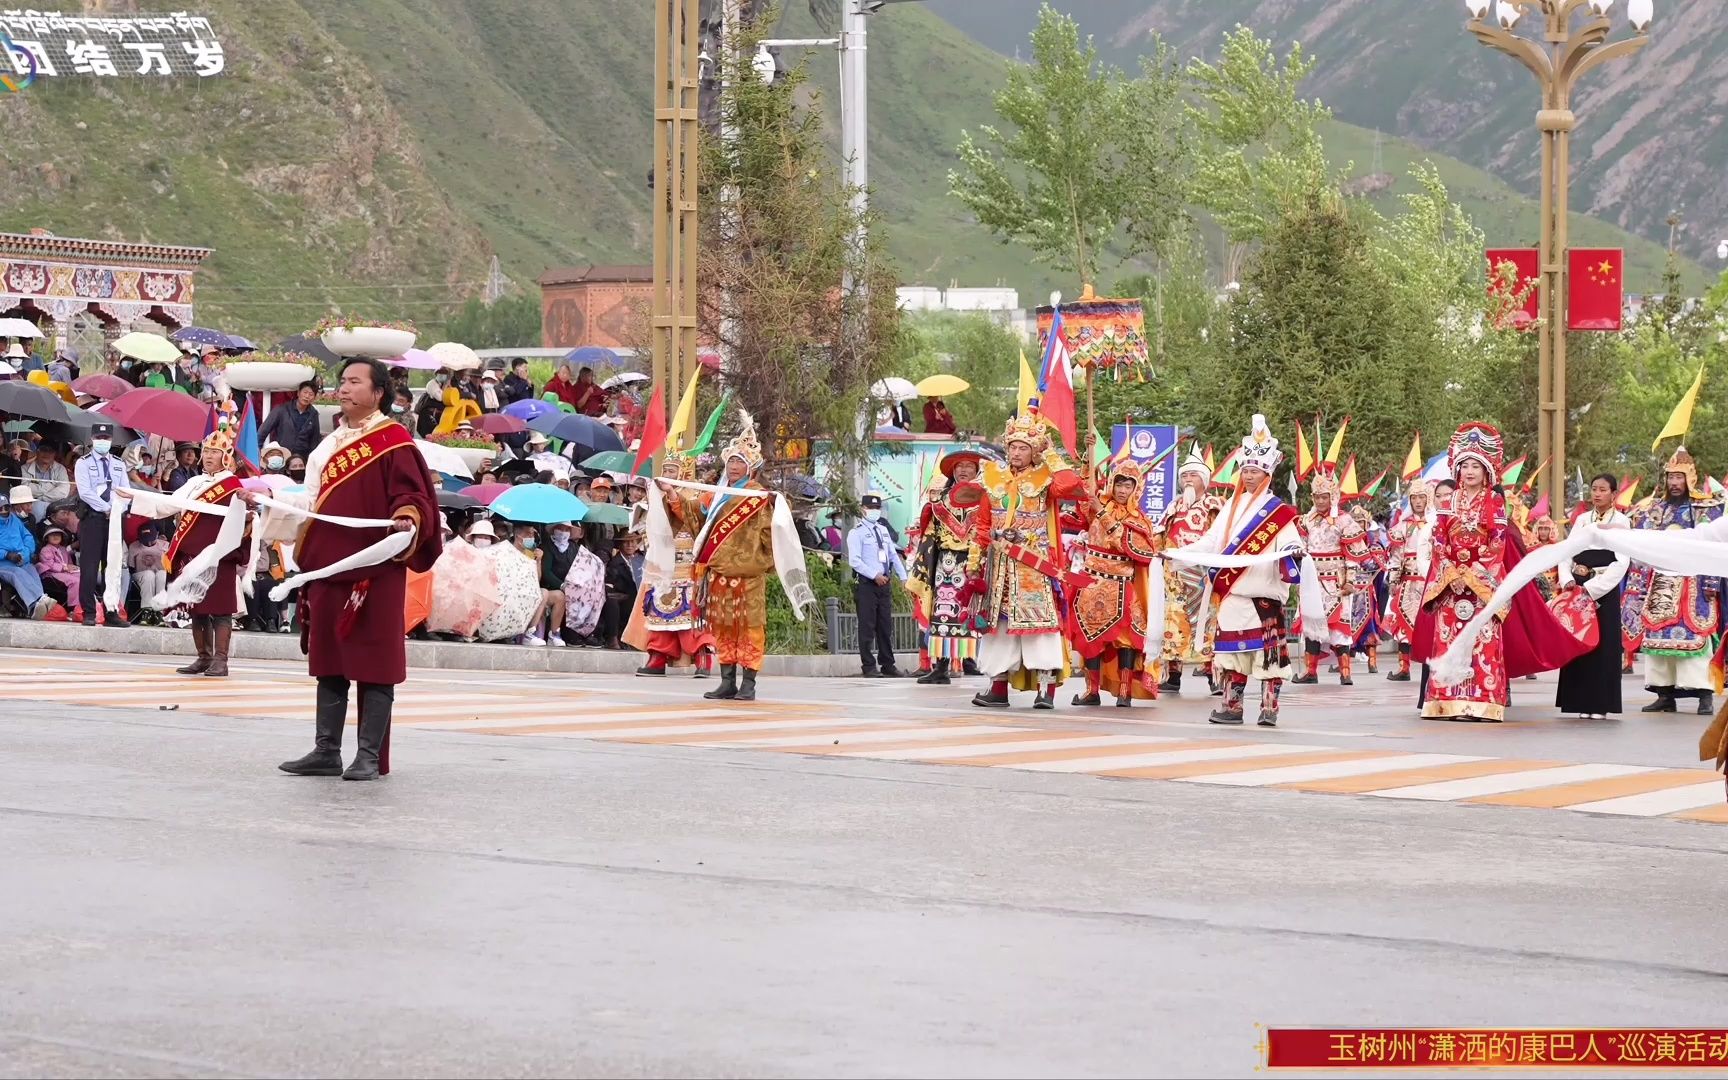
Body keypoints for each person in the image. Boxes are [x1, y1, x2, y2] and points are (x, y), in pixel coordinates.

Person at [266, 357, 442, 781]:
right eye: (341, 381)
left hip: (373, 569)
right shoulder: (328, 445)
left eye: (354, 382)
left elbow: (415, 498)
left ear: (377, 392)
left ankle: (367, 754)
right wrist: (271, 505)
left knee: (374, 660)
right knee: (330, 660)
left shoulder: (394, 440)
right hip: (328, 566)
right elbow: (312, 502)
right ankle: (326, 750)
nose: (343, 389)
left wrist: (407, 519)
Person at [1413, 422, 1588, 722]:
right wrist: (1451, 573)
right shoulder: (1446, 502)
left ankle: (1484, 702)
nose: (1469, 472)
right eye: (1464, 465)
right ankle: (1446, 702)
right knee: (1449, 639)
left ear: (1486, 472)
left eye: (1475, 467)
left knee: (1483, 642)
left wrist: (1472, 574)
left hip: (1482, 585)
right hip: (1450, 585)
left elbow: (1497, 542)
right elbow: (1439, 539)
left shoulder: (1493, 502)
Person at [1171, 415, 1302, 727]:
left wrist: (1292, 552)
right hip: (1233, 594)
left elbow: (1290, 543)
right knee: (1232, 657)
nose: (1249, 475)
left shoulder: (1277, 511)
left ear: (1267, 473)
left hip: (1264, 595)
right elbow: (1212, 541)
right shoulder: (1230, 506)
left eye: (1255, 470)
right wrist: (1177, 553)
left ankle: (1269, 709)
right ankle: (1232, 707)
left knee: (1270, 659)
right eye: (1245, 469)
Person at [971, 414, 1086, 710]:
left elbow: (1072, 485)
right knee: (998, 629)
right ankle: (998, 689)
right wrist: (975, 561)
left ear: (1033, 451)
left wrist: (1050, 453)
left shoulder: (1045, 479)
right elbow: (983, 524)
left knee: (1041, 628)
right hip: (999, 568)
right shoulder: (992, 477)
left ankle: (1045, 691)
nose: (1016, 453)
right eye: (1012, 447)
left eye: (1023, 448)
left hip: (1033, 565)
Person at [1622, 447, 1724, 715]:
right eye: (1670, 478)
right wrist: (1638, 585)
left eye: (1679, 478)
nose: (1674, 483)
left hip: (1693, 581)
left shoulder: (1705, 507)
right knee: (1657, 640)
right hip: (1661, 581)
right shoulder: (1657, 509)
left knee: (1696, 638)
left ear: (1690, 478)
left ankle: (1704, 695)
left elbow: (1713, 546)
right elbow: (1643, 545)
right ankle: (1664, 693)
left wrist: (1711, 582)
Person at [151, 424, 251, 677]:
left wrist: (247, 506)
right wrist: (135, 498)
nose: (207, 456)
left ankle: (221, 660)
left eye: (214, 452)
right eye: (205, 451)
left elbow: (247, 518)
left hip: (219, 554)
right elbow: (169, 505)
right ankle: (203, 657)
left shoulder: (234, 485)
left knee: (220, 610)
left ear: (225, 456)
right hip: (191, 554)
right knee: (197, 608)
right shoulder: (195, 482)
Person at [688, 419, 777, 701]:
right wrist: (671, 495)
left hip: (748, 576)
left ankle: (748, 684)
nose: (734, 467)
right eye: (731, 462)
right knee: (723, 629)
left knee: (750, 630)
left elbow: (771, 532)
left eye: (740, 463)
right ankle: (727, 681)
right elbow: (694, 515)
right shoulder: (716, 495)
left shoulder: (758, 496)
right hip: (719, 574)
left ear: (750, 468)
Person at [1067, 460, 1160, 707]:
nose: (1122, 490)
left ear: (1136, 488)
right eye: (1119, 483)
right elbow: (1081, 496)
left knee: (1127, 640)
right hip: (1092, 581)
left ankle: (1125, 691)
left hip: (1123, 585)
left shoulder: (1139, 519)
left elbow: (1138, 550)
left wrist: (1104, 515)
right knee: (1089, 638)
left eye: (1128, 485)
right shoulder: (1097, 505)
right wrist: (1087, 466)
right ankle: (1091, 690)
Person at [906, 450, 991, 686]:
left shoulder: (987, 499)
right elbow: (930, 536)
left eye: (969, 466)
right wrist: (924, 568)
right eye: (959, 466)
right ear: (953, 472)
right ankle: (941, 666)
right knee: (943, 612)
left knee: (977, 612)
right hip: (947, 564)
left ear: (977, 471)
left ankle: (989, 667)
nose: (963, 470)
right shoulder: (939, 503)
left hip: (977, 563)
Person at [1555, 474, 1631, 718]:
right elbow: (1568, 551)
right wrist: (1566, 577)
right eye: (1594, 489)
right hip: (1577, 586)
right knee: (1578, 641)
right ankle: (1577, 701)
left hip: (1602, 589)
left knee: (1603, 644)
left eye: (1602, 490)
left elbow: (1621, 562)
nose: (1597, 494)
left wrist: (1595, 588)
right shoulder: (1581, 520)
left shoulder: (1621, 522)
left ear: (1613, 493)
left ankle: (1600, 704)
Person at [634, 455, 716, 677]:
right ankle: (658, 655)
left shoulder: (697, 494)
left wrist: (672, 494)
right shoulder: (655, 495)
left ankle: (701, 657)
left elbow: (691, 520)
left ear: (684, 473)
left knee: (691, 611)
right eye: (666, 470)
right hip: (662, 562)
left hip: (688, 560)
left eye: (673, 471)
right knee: (660, 609)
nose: (668, 475)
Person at [1293, 464, 1370, 685]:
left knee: (1339, 626)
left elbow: (1352, 553)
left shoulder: (1344, 520)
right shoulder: (1307, 519)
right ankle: (1311, 672)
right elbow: (1303, 544)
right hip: (1312, 578)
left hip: (1336, 579)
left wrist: (1350, 580)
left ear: (1333, 496)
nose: (1320, 501)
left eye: (1324, 497)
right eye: (1316, 497)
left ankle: (1345, 672)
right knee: (1311, 624)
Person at [1158, 449, 1221, 693]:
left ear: (1204, 480)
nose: (1187, 480)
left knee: (1207, 623)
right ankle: (1173, 674)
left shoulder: (1214, 505)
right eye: (1184, 475)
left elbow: (1221, 538)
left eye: (1193, 475)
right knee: (1174, 622)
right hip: (1174, 576)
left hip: (1203, 574)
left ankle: (1212, 674)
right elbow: (1160, 534)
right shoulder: (1174, 506)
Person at [847, 492, 909, 678]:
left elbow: (892, 554)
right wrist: (874, 575)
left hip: (885, 583)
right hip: (867, 583)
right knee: (867, 626)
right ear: (862, 509)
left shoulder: (882, 530)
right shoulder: (856, 533)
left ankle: (887, 664)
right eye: (870, 508)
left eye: (877, 508)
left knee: (885, 626)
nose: (874, 511)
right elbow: (855, 561)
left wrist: (903, 576)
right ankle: (868, 665)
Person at [74, 421, 130, 626]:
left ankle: (112, 611)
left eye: (106, 438)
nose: (102, 441)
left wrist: (117, 509)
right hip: (94, 518)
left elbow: (126, 492)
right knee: (89, 566)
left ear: (111, 441)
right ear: (92, 439)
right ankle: (89, 611)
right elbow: (85, 491)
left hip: (115, 519)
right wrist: (106, 508)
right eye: (99, 438)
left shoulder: (118, 463)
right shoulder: (83, 462)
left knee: (112, 565)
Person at [1383, 480, 1436, 682]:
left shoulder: (1436, 524)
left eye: (1422, 497)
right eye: (1414, 498)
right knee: (1403, 624)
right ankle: (1403, 668)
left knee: (1430, 625)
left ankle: (1430, 665)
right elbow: (1396, 558)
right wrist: (1393, 581)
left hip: (1430, 582)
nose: (1418, 501)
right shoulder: (1401, 527)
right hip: (1408, 583)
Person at [1349, 503, 1390, 674]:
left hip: (1366, 588)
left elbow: (1379, 564)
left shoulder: (1373, 541)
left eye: (1361, 522)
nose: (1358, 526)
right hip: (1347, 589)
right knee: (1343, 627)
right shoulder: (1345, 541)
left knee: (1369, 625)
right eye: (1354, 523)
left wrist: (1365, 561)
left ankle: (1372, 660)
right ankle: (1344, 663)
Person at [0, 485, 50, 618]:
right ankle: (34, 603)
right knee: (17, 573)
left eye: (6, 507)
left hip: (20, 559)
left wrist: (26, 553)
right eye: (1, 508)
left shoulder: (14, 520)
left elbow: (27, 537)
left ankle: (41, 602)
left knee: (31, 570)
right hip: (3, 563)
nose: (4, 510)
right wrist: (6, 554)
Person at [512, 522, 566, 646]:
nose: (531, 536)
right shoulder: (510, 550)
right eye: (528, 533)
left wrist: (538, 561)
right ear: (518, 535)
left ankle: (554, 634)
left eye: (532, 534)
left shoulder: (530, 551)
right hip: (514, 591)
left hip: (531, 589)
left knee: (559, 595)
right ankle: (529, 634)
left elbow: (537, 578)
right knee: (543, 592)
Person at [258, 381, 322, 460]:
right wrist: (258, 450)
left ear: (314, 398)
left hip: (301, 460)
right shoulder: (282, 409)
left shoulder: (313, 414)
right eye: (305, 392)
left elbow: (314, 441)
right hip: (281, 457)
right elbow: (263, 431)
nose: (307, 396)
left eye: (311, 394)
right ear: (298, 393)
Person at [127, 523, 168, 614]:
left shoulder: (165, 545)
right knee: (149, 575)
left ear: (157, 534)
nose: (149, 543)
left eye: (151, 540)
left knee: (162, 574)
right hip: (140, 574)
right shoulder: (133, 546)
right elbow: (131, 567)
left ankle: (160, 610)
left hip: (160, 573)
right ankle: (147, 610)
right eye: (145, 540)